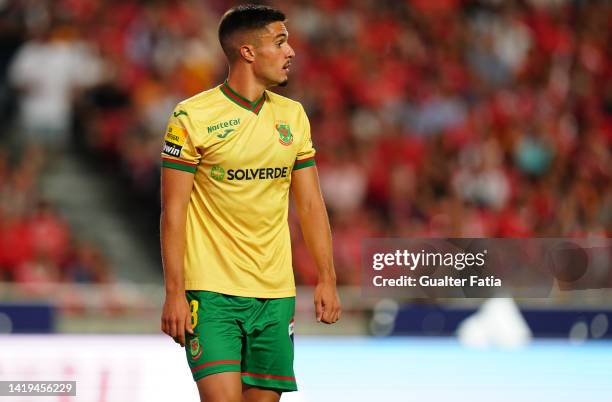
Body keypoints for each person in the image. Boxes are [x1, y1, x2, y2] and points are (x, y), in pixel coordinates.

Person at [159, 5, 341, 402]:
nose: (291, 51)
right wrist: (174, 291)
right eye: (280, 41)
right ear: (247, 52)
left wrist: (327, 276)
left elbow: (310, 205)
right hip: (209, 292)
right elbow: (173, 211)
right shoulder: (192, 116)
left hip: (275, 293)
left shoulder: (293, 117)